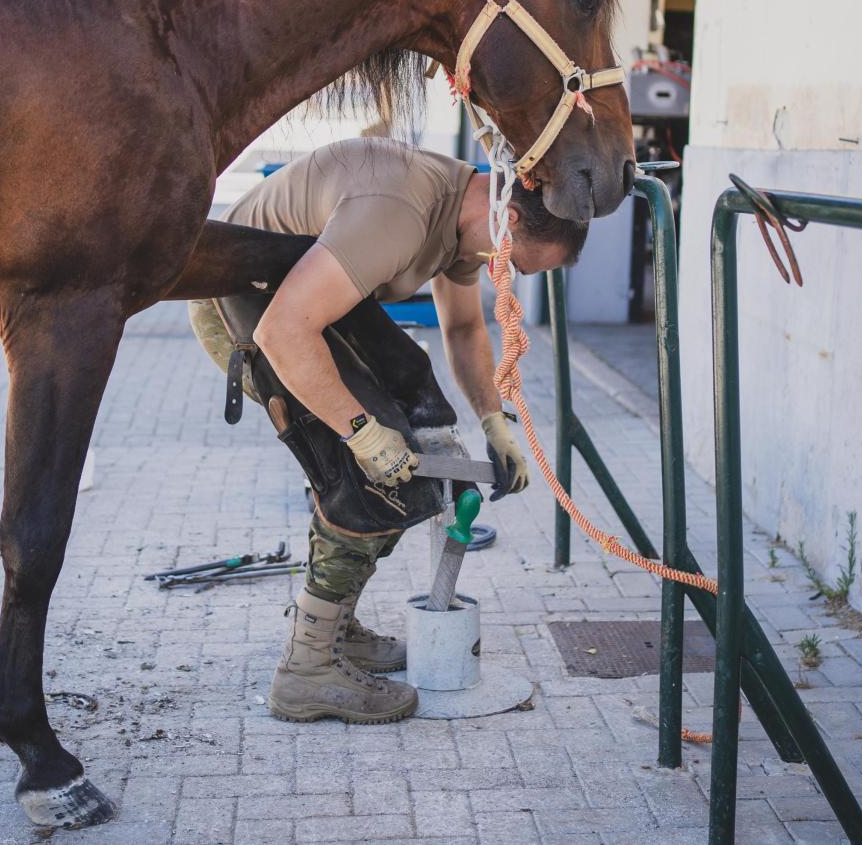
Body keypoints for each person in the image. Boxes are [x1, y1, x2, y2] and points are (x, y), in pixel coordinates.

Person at [189, 137, 589, 723]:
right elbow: (284, 332)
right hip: (247, 306)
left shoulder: (463, 216)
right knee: (372, 472)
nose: (506, 278)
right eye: (515, 265)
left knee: (427, 443)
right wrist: (362, 433)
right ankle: (306, 669)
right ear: (505, 219)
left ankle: (336, 628)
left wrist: (493, 420)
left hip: (300, 299)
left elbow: (463, 333)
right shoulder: (400, 209)